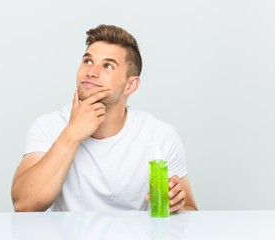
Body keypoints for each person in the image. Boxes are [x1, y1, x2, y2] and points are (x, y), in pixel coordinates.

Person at [11, 24, 197, 212]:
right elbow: (24, 205)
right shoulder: (49, 126)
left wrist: (177, 207)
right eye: (88, 61)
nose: (91, 72)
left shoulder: (160, 136)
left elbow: (190, 210)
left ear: (130, 86)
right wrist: (72, 134)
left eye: (107, 65)